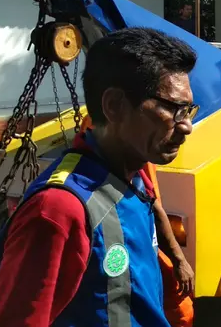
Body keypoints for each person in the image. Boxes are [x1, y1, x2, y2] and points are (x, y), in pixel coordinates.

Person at [0, 27, 199, 326]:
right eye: (173, 109)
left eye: (188, 109)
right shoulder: (57, 211)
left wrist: (177, 259)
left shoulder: (134, 175)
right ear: (114, 106)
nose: (187, 126)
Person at [80, 116, 196, 326]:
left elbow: (153, 204)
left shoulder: (136, 162)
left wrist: (179, 260)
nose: (186, 127)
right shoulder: (77, 197)